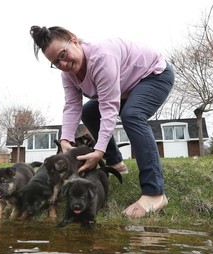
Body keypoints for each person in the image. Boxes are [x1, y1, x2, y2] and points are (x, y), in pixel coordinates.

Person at [30, 25, 175, 218]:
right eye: (56, 63)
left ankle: (155, 193)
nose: (63, 64)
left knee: (132, 115)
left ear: (74, 40)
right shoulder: (68, 75)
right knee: (88, 111)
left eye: (63, 55)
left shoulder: (102, 58)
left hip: (154, 76)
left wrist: (98, 152)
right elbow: (72, 106)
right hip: (126, 87)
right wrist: (65, 140)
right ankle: (116, 163)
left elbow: (109, 109)